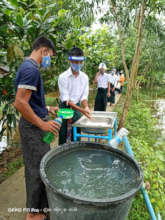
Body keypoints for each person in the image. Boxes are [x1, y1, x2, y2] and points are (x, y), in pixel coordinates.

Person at [14, 36, 60, 220]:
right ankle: (34, 214)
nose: (49, 61)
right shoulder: (31, 70)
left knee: (40, 167)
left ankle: (39, 210)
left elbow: (30, 102)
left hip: (34, 126)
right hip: (33, 129)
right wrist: (43, 124)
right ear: (44, 51)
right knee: (36, 172)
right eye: (51, 56)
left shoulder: (28, 67)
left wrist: (47, 109)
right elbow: (19, 103)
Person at [58, 46, 91, 145]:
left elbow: (84, 97)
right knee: (63, 134)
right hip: (65, 108)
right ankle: (62, 154)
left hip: (77, 108)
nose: (78, 64)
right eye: (76, 62)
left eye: (80, 62)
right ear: (70, 61)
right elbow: (66, 100)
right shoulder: (63, 77)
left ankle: (75, 153)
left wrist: (86, 107)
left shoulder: (84, 77)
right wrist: (82, 110)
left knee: (76, 133)